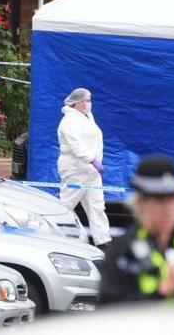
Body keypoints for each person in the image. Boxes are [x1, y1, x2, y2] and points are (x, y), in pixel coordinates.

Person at [99, 155, 174, 304]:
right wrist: (162, 292)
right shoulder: (121, 251)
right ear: (140, 203)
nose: (167, 209)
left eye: (172, 198)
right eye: (159, 200)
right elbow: (108, 315)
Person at [57, 88, 111, 249]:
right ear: (77, 103)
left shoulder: (87, 117)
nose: (90, 103)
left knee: (97, 207)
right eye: (87, 100)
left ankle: (104, 242)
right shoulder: (68, 122)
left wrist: (95, 164)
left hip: (91, 173)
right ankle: (55, 238)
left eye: (90, 100)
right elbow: (76, 146)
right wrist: (92, 160)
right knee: (66, 206)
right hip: (76, 171)